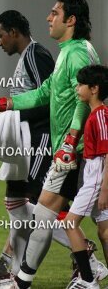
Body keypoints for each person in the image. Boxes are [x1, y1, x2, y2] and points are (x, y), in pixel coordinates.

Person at [0, 0, 104, 288]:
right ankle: (37, 279)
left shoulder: (77, 53)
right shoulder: (69, 51)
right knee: (45, 213)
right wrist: (2, 104)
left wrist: (71, 139)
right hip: (74, 149)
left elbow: (86, 99)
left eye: (55, 13)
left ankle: (86, 275)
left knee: (94, 223)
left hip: (79, 151)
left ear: (71, 20)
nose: (49, 18)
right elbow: (43, 93)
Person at [64, 65, 108, 289]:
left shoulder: (100, 116)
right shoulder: (95, 114)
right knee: (105, 231)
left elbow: (107, 154)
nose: (77, 88)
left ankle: (89, 280)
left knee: (70, 222)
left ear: (94, 89)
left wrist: (104, 189)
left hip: (95, 178)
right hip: (94, 175)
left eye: (81, 85)